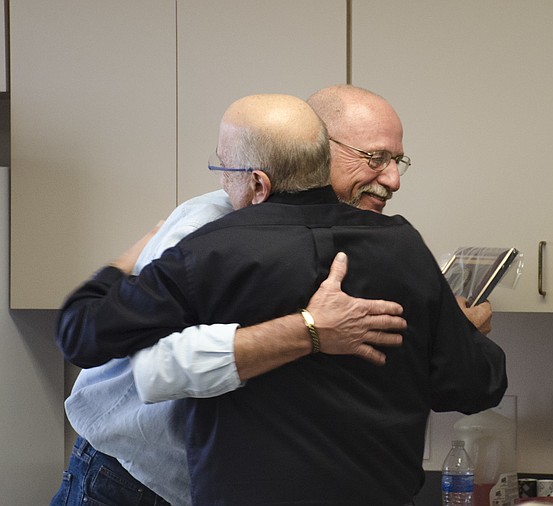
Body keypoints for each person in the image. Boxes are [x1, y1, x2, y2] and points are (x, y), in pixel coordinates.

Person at [56, 93, 507, 504]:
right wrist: (310, 329)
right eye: (375, 157)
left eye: (397, 160)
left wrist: (445, 329)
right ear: (318, 150)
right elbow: (160, 366)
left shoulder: (388, 245)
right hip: (131, 475)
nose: (393, 178)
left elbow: (452, 378)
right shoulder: (213, 228)